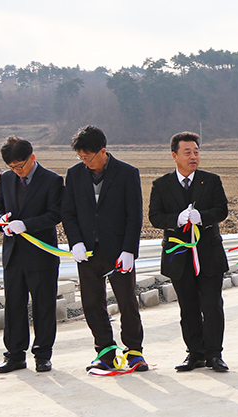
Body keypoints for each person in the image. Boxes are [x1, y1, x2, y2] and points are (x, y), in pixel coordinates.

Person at [61, 125, 147, 372]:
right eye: (81, 158)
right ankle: (105, 351)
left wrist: (129, 250)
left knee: (127, 302)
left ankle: (134, 351)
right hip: (87, 252)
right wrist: (75, 241)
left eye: (88, 157)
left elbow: (134, 214)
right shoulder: (75, 174)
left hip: (118, 251)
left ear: (103, 151)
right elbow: (68, 212)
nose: (85, 162)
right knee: (91, 302)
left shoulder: (127, 173)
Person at [148, 132, 230, 372]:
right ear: (174, 156)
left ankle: (215, 354)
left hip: (208, 255)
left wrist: (201, 217)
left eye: (196, 151)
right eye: (187, 152)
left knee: (212, 305)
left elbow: (222, 210)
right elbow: (154, 216)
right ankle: (195, 354)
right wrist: (177, 219)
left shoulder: (211, 180)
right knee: (188, 307)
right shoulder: (161, 185)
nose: (193, 156)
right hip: (178, 255)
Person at [0, 137, 64, 373]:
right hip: (13, 254)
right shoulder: (5, 178)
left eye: (20, 165)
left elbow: (55, 214)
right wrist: (1, 220)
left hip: (40, 253)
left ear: (32, 157)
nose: (17, 171)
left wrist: (27, 224)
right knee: (13, 305)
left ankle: (43, 354)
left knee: (43, 304)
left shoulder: (52, 180)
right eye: (12, 167)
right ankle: (14, 354)